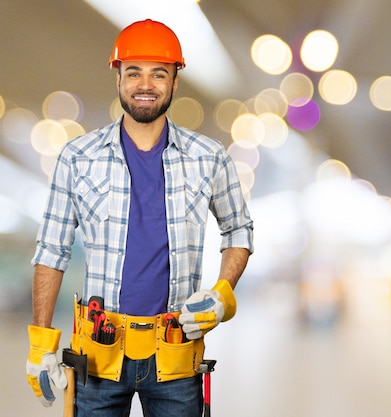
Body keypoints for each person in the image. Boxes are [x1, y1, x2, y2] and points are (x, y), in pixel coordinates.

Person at [25, 19, 253, 417]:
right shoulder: (77, 157)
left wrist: (222, 294)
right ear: (118, 77)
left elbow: (239, 229)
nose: (145, 84)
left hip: (176, 356)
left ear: (175, 81)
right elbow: (51, 250)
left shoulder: (209, 157)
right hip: (98, 356)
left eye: (158, 73)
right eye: (134, 72)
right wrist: (40, 343)